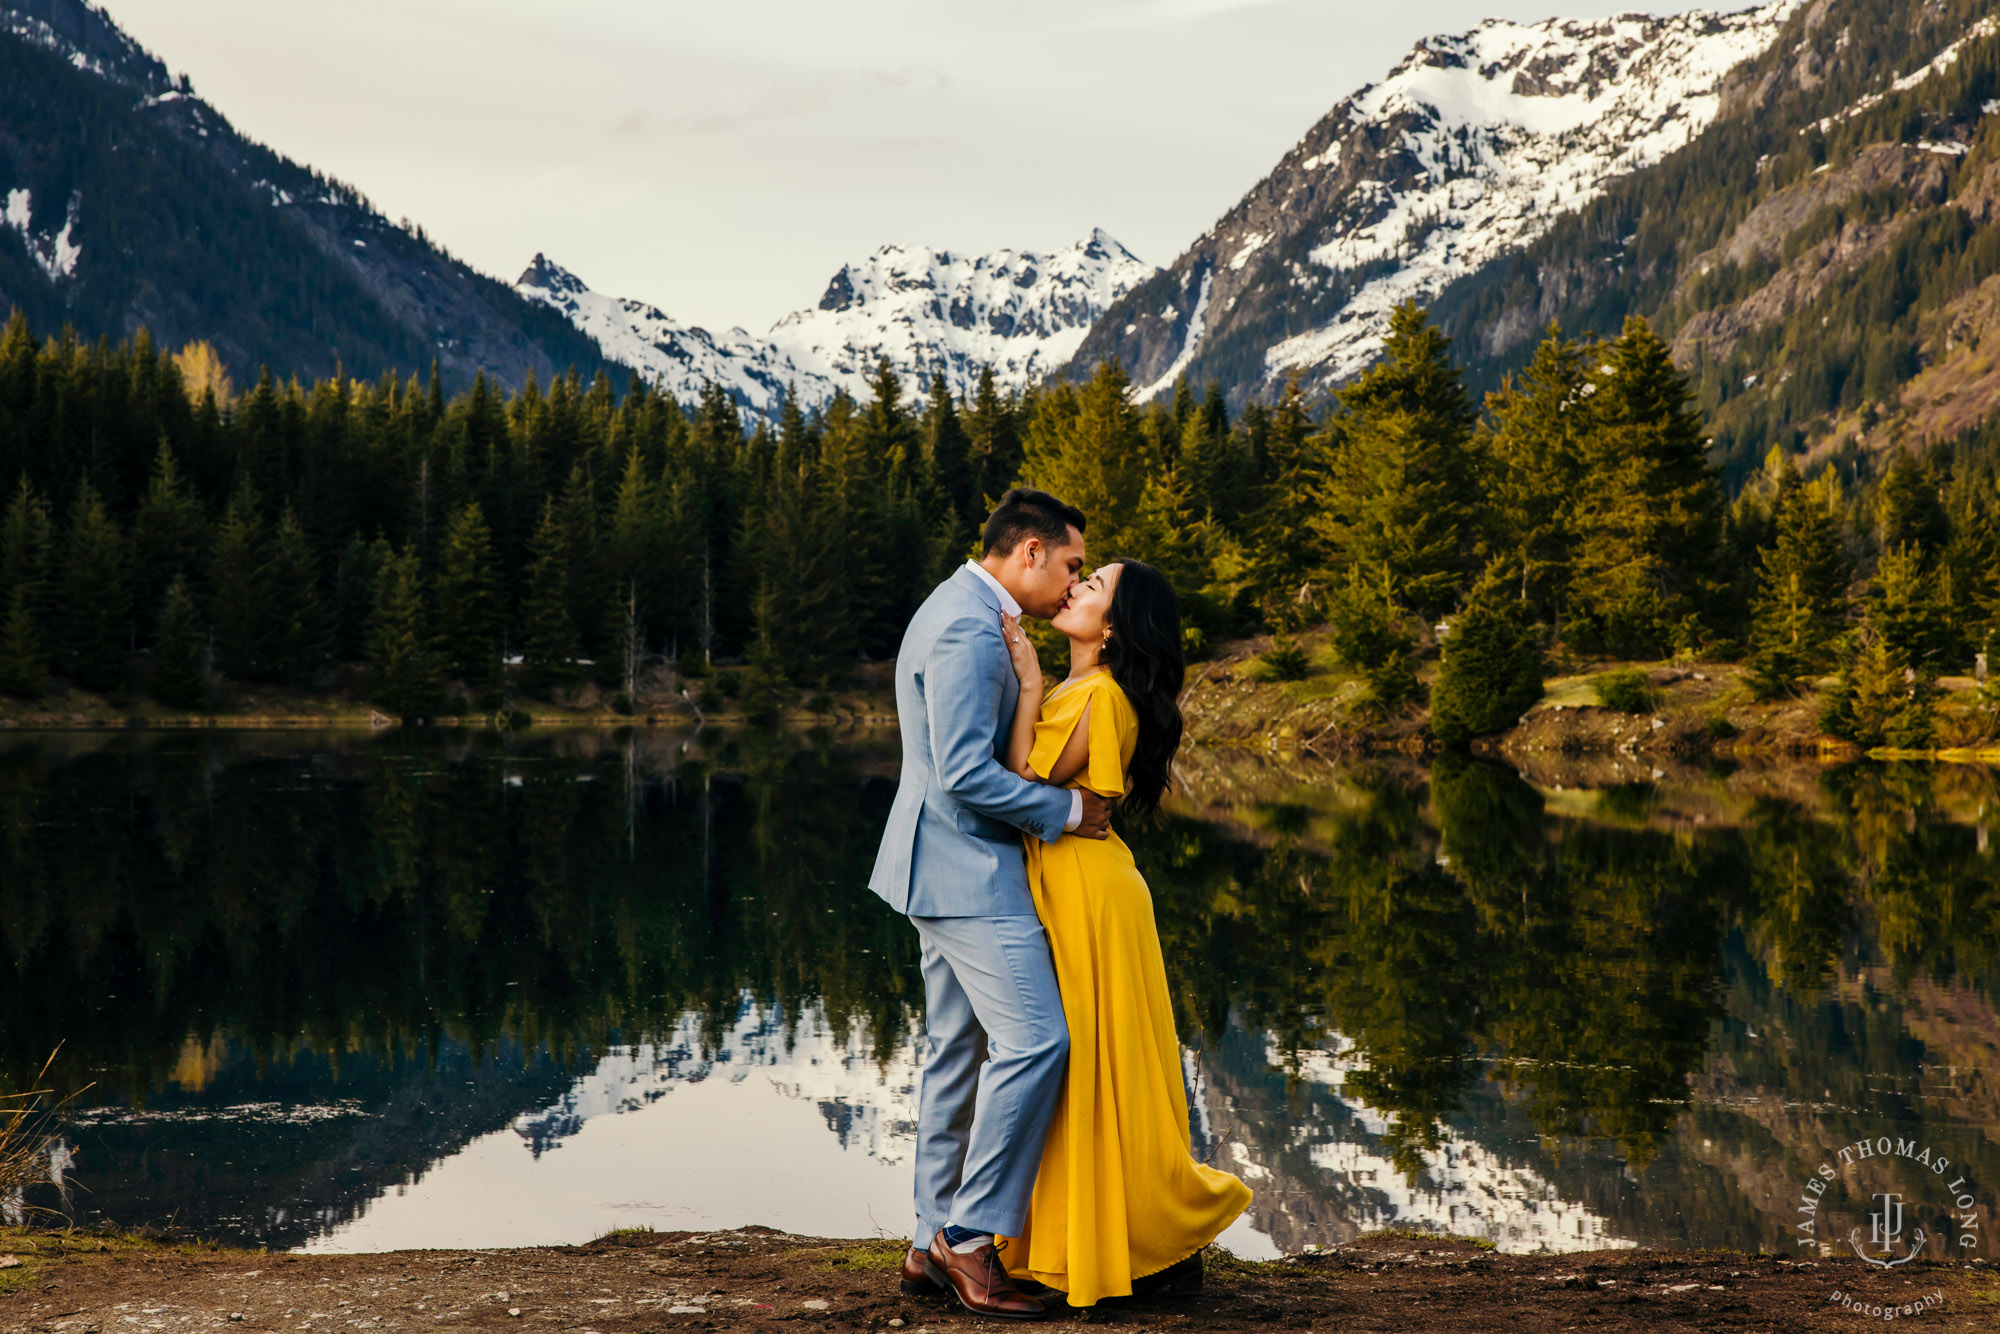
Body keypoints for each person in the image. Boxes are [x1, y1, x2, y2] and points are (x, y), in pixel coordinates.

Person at [868, 488, 1114, 1321]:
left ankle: (927, 1240)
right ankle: (969, 1240)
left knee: (955, 1054)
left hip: (935, 866)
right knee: (1039, 1041)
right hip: (968, 869)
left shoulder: (961, 606)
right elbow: (967, 773)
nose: (1074, 581)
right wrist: (1070, 812)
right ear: (1031, 552)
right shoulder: (972, 626)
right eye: (1073, 564)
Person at [995, 557, 1252, 1309]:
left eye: (1092, 586)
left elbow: (1019, 782)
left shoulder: (1101, 697)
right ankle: (1109, 1237)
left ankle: (1143, 1241)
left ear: (1112, 627)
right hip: (1076, 882)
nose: (1073, 587)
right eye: (1082, 577)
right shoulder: (1088, 688)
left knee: (1096, 1064)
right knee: (1081, 1065)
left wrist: (1032, 687)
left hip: (1091, 893)